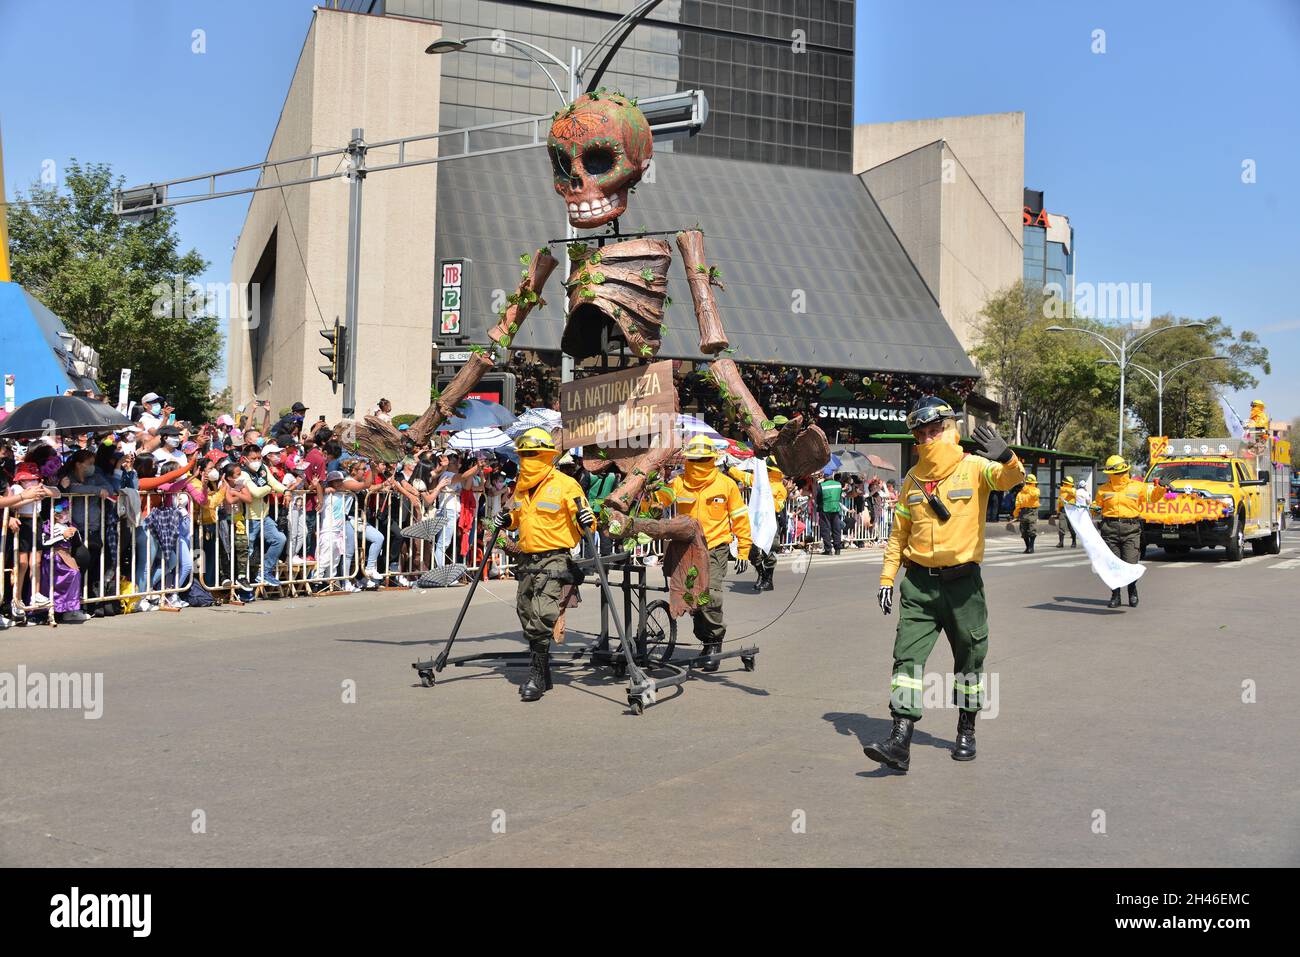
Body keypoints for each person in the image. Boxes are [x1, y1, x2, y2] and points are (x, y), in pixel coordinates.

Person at [863, 397, 1025, 773]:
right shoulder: (912, 479)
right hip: (919, 586)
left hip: (963, 586)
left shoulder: (974, 468)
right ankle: (900, 740)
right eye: (921, 433)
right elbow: (898, 534)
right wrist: (888, 577)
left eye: (934, 430)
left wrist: (1007, 457)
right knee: (906, 661)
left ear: (949, 428)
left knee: (970, 660)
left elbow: (1011, 480)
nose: (927, 438)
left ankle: (966, 729)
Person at [491, 427, 593, 702]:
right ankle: (543, 668)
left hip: (554, 557)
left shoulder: (565, 484)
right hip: (527, 557)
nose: (528, 459)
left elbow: (587, 519)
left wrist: (586, 520)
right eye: (524, 454)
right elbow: (522, 515)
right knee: (525, 610)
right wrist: (509, 520)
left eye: (533, 453)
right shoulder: (523, 486)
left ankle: (536, 674)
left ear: (548, 456)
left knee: (543, 614)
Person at [657, 434, 752, 671]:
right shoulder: (678, 483)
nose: (698, 464)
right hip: (686, 549)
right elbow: (659, 502)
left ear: (712, 459)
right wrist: (651, 489)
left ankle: (714, 641)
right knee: (692, 598)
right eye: (694, 459)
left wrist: (743, 550)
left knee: (709, 596)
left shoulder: (726, 484)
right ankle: (706, 639)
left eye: (702, 459)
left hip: (714, 548)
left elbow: (740, 517)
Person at [1094, 454, 1165, 608]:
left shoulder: (1137, 486)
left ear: (1121, 472)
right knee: (1113, 566)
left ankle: (1132, 591)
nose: (1114, 476)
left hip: (1131, 529)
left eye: (1114, 473)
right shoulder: (1103, 489)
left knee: (1130, 564)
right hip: (1109, 529)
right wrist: (1090, 508)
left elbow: (1152, 498)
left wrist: (1161, 489)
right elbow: (1096, 507)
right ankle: (1115, 596)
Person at [727, 458, 786, 591]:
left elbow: (778, 507)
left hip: (770, 521)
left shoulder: (781, 488)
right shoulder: (758, 480)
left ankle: (769, 580)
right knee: (752, 549)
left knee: (771, 549)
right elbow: (742, 476)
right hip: (755, 520)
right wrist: (729, 469)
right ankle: (761, 574)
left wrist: (766, 497)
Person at [815, 470, 843, 555]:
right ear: (832, 475)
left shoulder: (821, 486)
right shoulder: (839, 484)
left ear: (824, 476)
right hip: (835, 508)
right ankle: (837, 549)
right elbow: (840, 495)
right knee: (836, 529)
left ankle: (828, 549)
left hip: (825, 509)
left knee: (825, 529)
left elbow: (818, 498)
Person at [1014, 474, 1040, 553]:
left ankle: (1031, 547)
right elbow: (1017, 504)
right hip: (1023, 512)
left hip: (1032, 511)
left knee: (1032, 530)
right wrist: (1016, 514)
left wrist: (1027, 489)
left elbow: (1035, 495)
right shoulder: (1020, 493)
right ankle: (1028, 547)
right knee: (1024, 531)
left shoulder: (1036, 490)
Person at [1056, 475, 1078, 548]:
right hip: (1063, 510)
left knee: (1071, 527)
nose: (1063, 484)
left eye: (1065, 483)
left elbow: (1073, 493)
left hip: (1071, 510)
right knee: (1061, 526)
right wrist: (1058, 510)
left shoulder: (1073, 490)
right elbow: (1060, 500)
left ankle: (1074, 541)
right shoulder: (1062, 490)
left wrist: (1063, 488)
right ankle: (1061, 542)